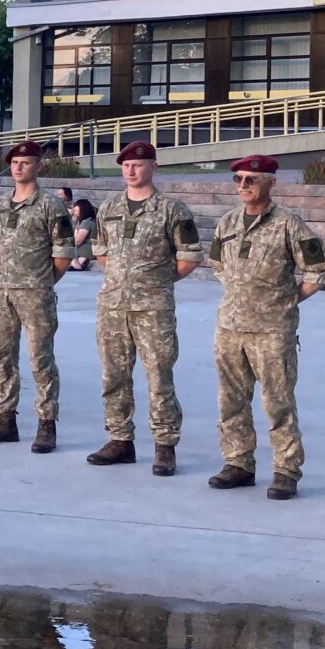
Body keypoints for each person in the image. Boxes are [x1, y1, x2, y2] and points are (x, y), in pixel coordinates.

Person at [208, 154, 325, 500]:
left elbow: (318, 271)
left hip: (272, 330)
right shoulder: (227, 223)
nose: (244, 186)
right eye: (239, 180)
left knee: (277, 402)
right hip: (230, 327)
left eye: (251, 179)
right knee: (230, 400)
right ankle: (238, 463)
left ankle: (286, 470)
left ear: (271, 183)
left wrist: (285, 300)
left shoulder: (289, 225)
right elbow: (217, 264)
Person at [87, 140, 203, 477]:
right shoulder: (109, 207)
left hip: (153, 308)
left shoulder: (171, 210)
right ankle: (119, 440)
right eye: (125, 165)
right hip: (112, 307)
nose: (131, 171)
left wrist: (157, 282)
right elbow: (101, 251)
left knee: (159, 378)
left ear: (153, 166)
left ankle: (165, 446)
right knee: (114, 376)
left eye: (138, 165)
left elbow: (189, 257)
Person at [0, 141, 74, 453]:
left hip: (35, 293)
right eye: (15, 163)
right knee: (2, 356)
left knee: (40, 359)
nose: (19, 167)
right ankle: (5, 418)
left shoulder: (50, 206)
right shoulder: (1, 205)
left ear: (38, 166)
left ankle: (47, 424)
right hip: (1, 291)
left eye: (26, 162)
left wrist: (42, 282)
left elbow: (63, 256)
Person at [69, 199, 97, 271]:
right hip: (86, 249)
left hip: (86, 249)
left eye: (76, 206)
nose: (74, 208)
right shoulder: (81, 221)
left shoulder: (87, 222)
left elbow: (78, 240)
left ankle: (76, 265)